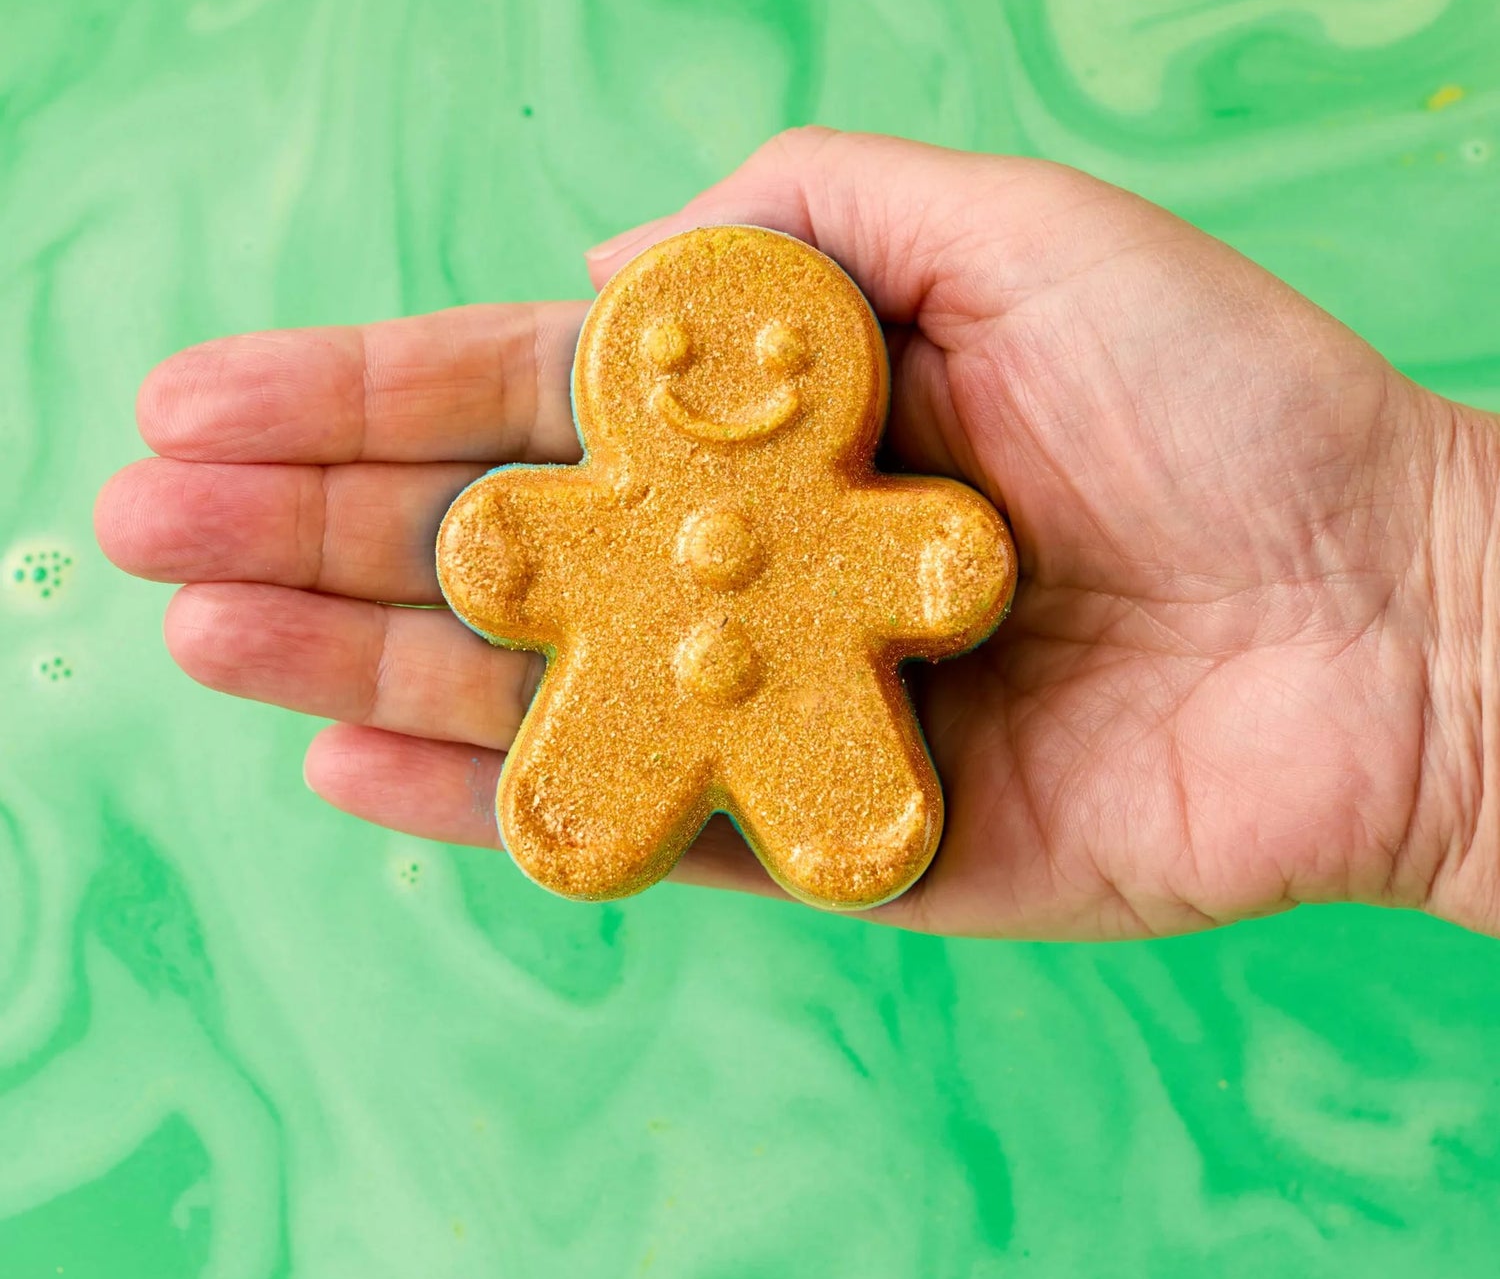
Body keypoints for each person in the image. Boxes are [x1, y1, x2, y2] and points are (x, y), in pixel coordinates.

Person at [94, 130, 1499, 939]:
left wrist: (1435, 589)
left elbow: (936, 549)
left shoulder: (857, 491)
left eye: (776, 342)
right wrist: (1434, 641)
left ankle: (835, 817)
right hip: (624, 701)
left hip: (825, 695)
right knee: (593, 781)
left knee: (837, 800)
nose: (730, 364)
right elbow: (511, 540)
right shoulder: (603, 497)